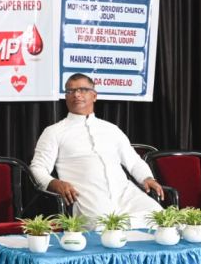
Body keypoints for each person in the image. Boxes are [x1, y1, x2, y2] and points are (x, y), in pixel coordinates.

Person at [30, 73, 164, 228]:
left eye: (82, 90)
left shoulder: (111, 129)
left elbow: (133, 161)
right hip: (89, 197)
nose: (76, 95)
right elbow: (37, 168)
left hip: (125, 193)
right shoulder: (54, 132)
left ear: (94, 96)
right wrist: (53, 183)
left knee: (160, 218)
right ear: (66, 97)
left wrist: (147, 178)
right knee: (104, 228)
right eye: (70, 91)